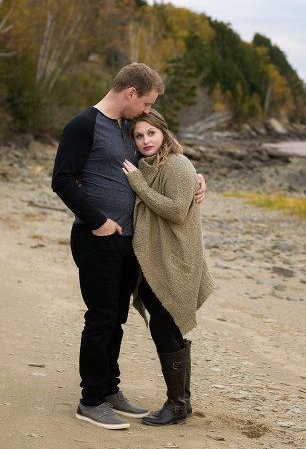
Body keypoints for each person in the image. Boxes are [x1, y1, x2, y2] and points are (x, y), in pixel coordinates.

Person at [51, 63, 206, 430]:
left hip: (131, 242)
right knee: (101, 319)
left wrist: (198, 179)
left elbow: (159, 163)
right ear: (131, 93)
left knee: (117, 320)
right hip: (97, 238)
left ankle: (109, 391)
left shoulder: (127, 127)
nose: (146, 112)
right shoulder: (83, 125)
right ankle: (90, 401)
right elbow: (62, 180)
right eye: (146, 102)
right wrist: (99, 222)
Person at [121, 109, 215, 426]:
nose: (145, 140)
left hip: (174, 262)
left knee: (164, 328)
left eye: (151, 133)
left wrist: (137, 184)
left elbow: (176, 211)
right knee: (169, 327)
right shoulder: (148, 166)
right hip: (157, 261)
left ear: (164, 132)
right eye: (138, 135)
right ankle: (182, 402)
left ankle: (176, 404)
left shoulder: (176, 164)